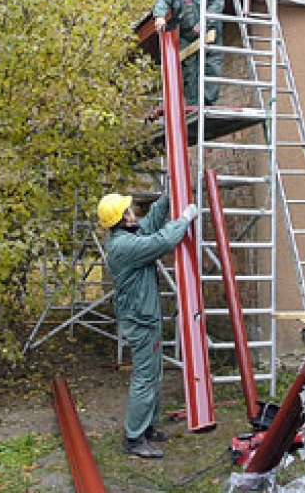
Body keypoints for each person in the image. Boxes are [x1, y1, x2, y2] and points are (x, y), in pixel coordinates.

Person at [97, 192, 199, 458]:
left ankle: (147, 427)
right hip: (139, 320)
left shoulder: (130, 235)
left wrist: (171, 193)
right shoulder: (123, 247)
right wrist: (185, 219)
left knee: (154, 374)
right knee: (144, 377)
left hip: (145, 316)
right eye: (129, 210)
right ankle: (133, 438)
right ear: (122, 219)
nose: (134, 211)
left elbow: (153, 220)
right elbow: (163, 240)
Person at [153, 0, 225, 107]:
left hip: (209, 32)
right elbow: (162, 1)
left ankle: (207, 104)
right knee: (189, 71)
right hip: (187, 36)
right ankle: (193, 105)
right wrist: (159, 16)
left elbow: (218, 1)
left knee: (211, 66)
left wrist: (206, 21)